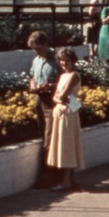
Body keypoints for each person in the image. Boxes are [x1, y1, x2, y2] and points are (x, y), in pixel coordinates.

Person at [47, 47, 83, 191]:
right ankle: (71, 179)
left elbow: (62, 96)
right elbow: (55, 97)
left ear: (72, 61)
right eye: (61, 60)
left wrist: (59, 98)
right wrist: (59, 98)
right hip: (61, 112)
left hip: (68, 113)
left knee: (67, 146)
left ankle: (66, 181)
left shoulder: (74, 75)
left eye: (67, 60)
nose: (64, 63)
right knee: (63, 145)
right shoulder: (63, 76)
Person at [27, 31, 59, 188]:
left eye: (39, 48)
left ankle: (48, 176)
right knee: (43, 136)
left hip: (52, 102)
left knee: (49, 139)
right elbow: (32, 76)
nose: (36, 52)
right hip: (39, 100)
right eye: (34, 49)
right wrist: (33, 84)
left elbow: (68, 80)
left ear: (46, 45)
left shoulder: (57, 60)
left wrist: (50, 86)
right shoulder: (36, 60)